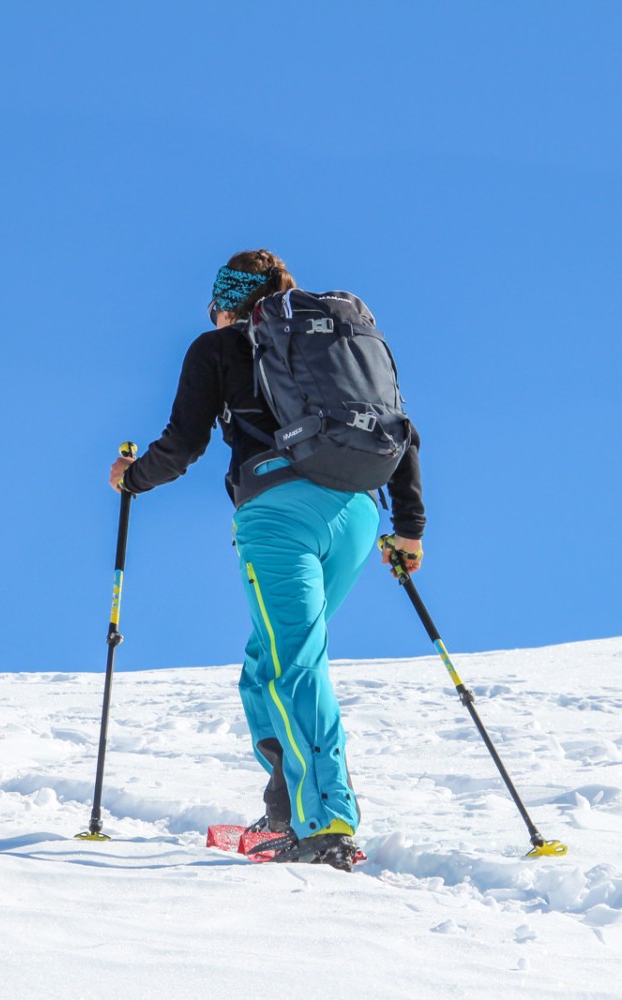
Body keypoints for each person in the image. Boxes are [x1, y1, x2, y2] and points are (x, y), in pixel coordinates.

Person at [107, 249, 425, 869]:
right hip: (357, 513)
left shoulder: (217, 348)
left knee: (292, 666)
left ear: (227, 303)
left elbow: (183, 445)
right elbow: (402, 430)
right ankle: (284, 810)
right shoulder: (340, 348)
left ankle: (326, 821)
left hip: (280, 513)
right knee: (267, 663)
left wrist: (132, 479)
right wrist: (408, 529)